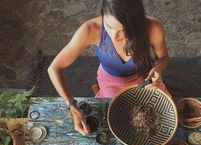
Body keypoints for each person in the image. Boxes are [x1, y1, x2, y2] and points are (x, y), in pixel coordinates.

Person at [48, 0, 170, 136]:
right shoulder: (90, 29)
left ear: (137, 24)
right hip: (112, 80)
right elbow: (54, 68)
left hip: (144, 78)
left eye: (123, 30)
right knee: (117, 120)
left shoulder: (152, 27)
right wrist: (72, 107)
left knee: (160, 115)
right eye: (109, 26)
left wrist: (158, 69)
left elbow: (163, 58)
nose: (114, 36)